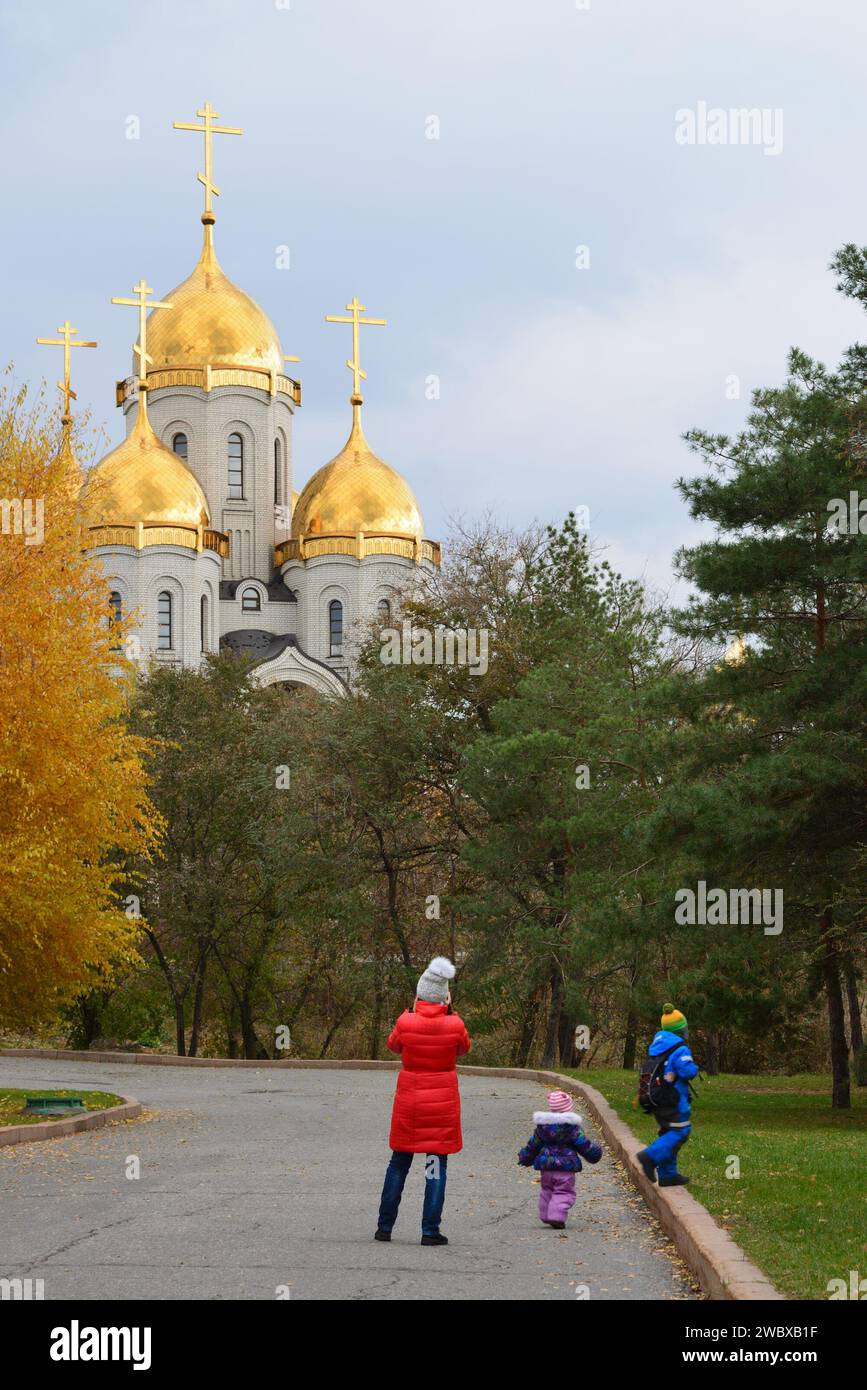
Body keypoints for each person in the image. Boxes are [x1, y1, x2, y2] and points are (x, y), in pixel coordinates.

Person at [375, 957, 471, 1246]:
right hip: (441, 1106)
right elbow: (463, 1049)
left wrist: (409, 1012)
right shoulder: (454, 1024)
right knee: (434, 1166)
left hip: (410, 1104)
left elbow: (393, 1045)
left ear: (419, 994)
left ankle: (385, 1227)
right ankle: (430, 1230)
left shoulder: (405, 1021)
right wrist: (449, 1010)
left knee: (399, 1163)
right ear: (444, 995)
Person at [517, 1089, 602, 1228]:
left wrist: (525, 1157)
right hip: (565, 1168)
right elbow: (583, 1144)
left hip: (546, 1167)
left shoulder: (542, 1127)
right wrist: (595, 1153)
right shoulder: (572, 1129)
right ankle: (556, 1216)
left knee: (547, 1189)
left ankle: (545, 1215)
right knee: (564, 1191)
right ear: (568, 1109)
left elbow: (534, 1144)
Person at [637, 1003, 699, 1187]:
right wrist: (695, 1067)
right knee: (680, 1131)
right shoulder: (680, 1049)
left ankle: (668, 1174)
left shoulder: (658, 1046)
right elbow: (687, 1072)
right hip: (673, 1099)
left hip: (658, 1098)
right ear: (682, 1030)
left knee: (668, 1131)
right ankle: (649, 1157)